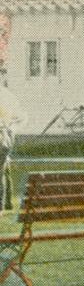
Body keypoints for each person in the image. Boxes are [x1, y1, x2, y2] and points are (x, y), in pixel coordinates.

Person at [0, 68, 21, 211]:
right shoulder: (9, 96)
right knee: (4, 168)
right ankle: (7, 202)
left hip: (2, 136)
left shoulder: (5, 96)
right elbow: (19, 117)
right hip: (6, 137)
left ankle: (1, 205)